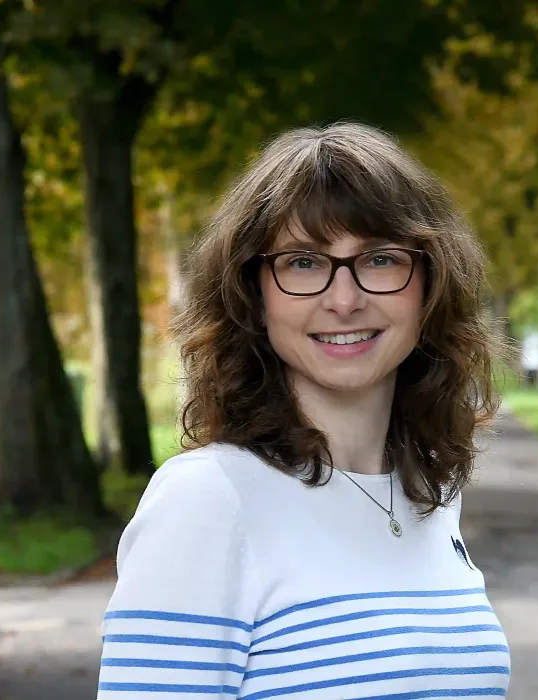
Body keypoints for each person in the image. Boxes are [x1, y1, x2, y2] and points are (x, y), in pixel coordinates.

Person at [96, 122, 511, 699]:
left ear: (430, 285)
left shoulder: (427, 495)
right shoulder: (209, 501)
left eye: (380, 259)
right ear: (254, 293)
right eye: (303, 263)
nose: (344, 300)